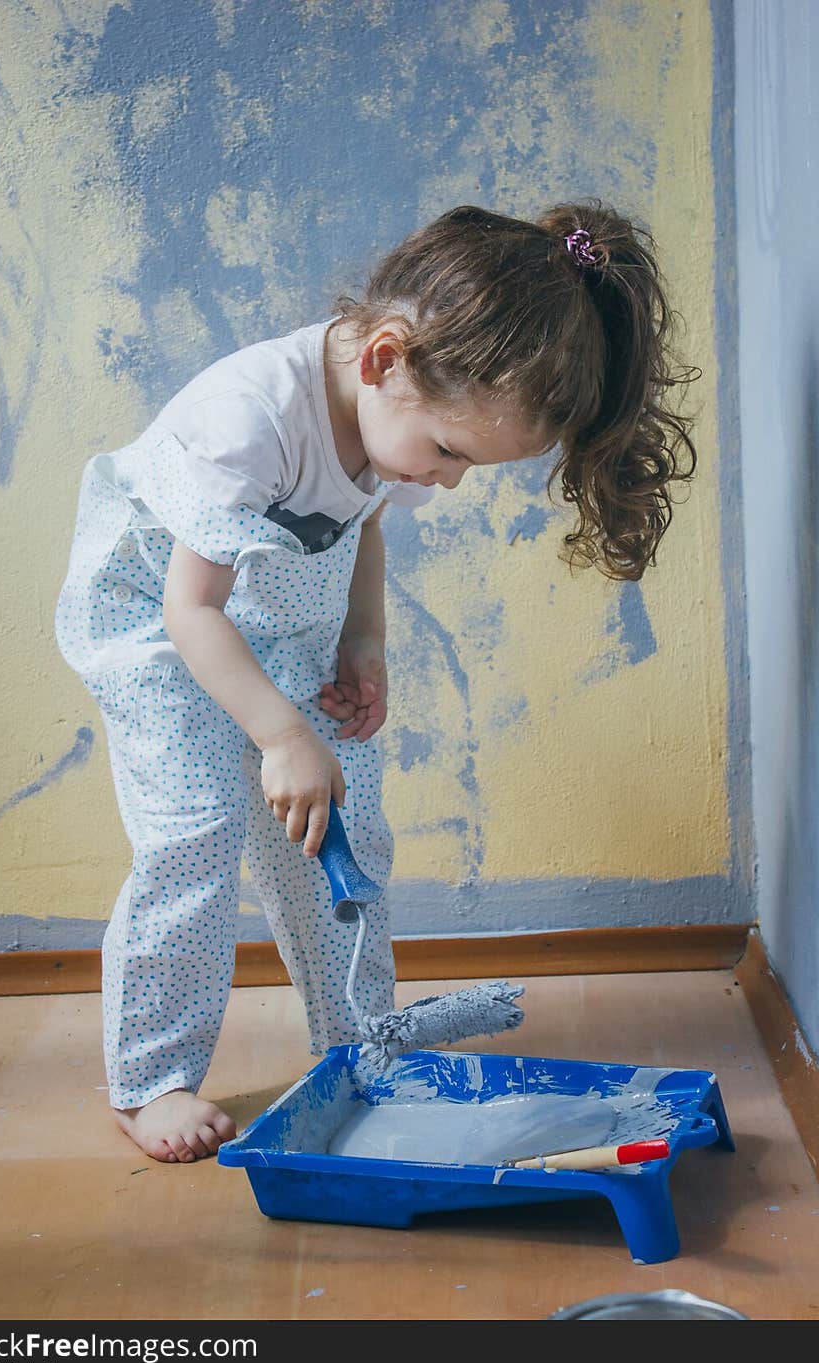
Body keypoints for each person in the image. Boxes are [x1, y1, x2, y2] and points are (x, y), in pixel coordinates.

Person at [54, 202, 698, 1163]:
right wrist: (280, 735)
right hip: (163, 628)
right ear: (384, 359)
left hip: (278, 612)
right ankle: (153, 1079)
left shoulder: (396, 406)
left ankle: (355, 1040)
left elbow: (365, 523)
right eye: (450, 454)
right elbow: (194, 610)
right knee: (193, 836)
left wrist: (363, 641)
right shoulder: (251, 420)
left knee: (339, 836)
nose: (449, 481)